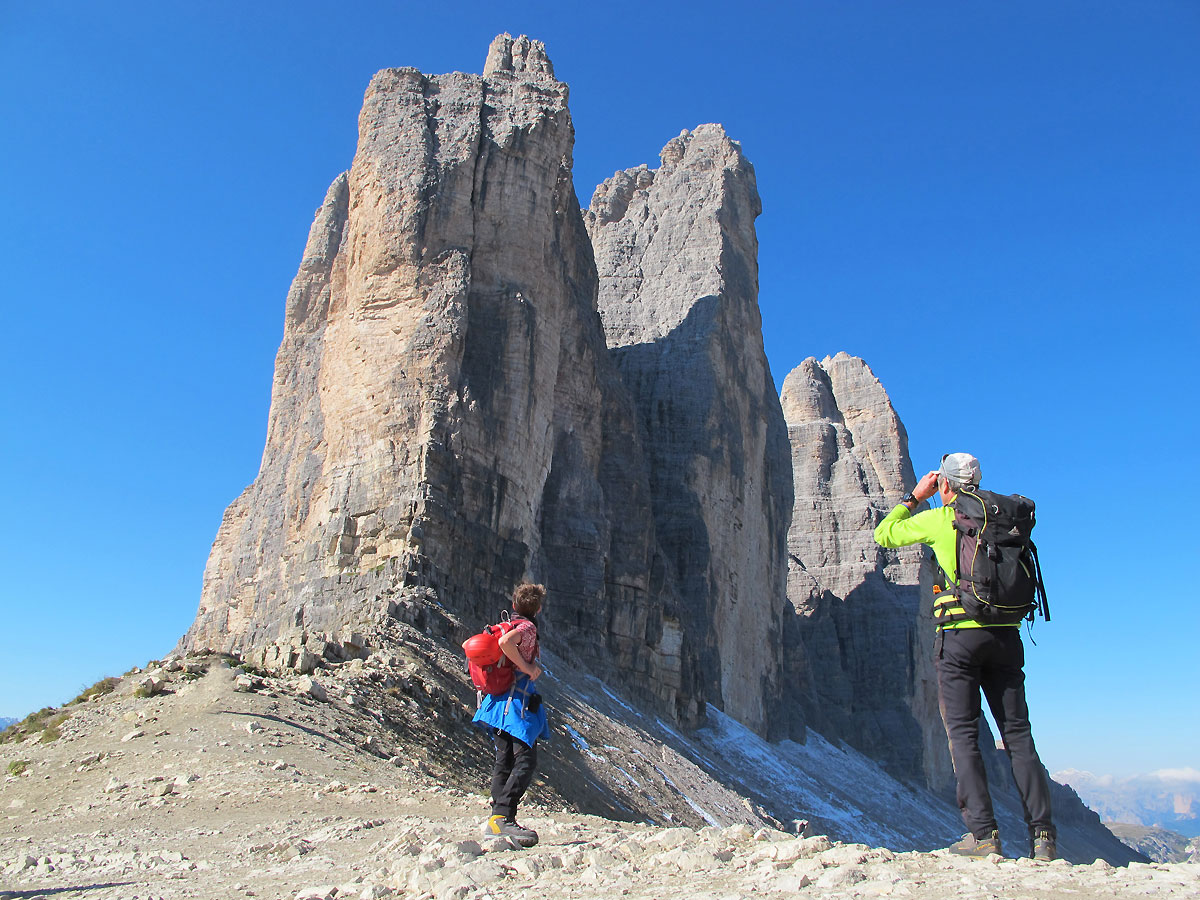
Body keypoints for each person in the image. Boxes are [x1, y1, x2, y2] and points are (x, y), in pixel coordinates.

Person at [874, 453, 1057, 861]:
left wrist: (914, 496)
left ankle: (984, 836)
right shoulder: (1002, 519)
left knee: (964, 736)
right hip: (1007, 638)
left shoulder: (943, 518)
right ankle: (1043, 837)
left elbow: (884, 534)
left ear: (946, 485)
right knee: (1018, 735)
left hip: (960, 641)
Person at [472, 582, 549, 848]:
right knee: (525, 759)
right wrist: (528, 666)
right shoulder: (526, 627)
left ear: (514, 605)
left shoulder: (508, 621)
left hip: (498, 700)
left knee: (504, 759)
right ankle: (504, 817)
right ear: (538, 609)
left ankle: (497, 820)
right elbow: (506, 644)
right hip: (516, 704)